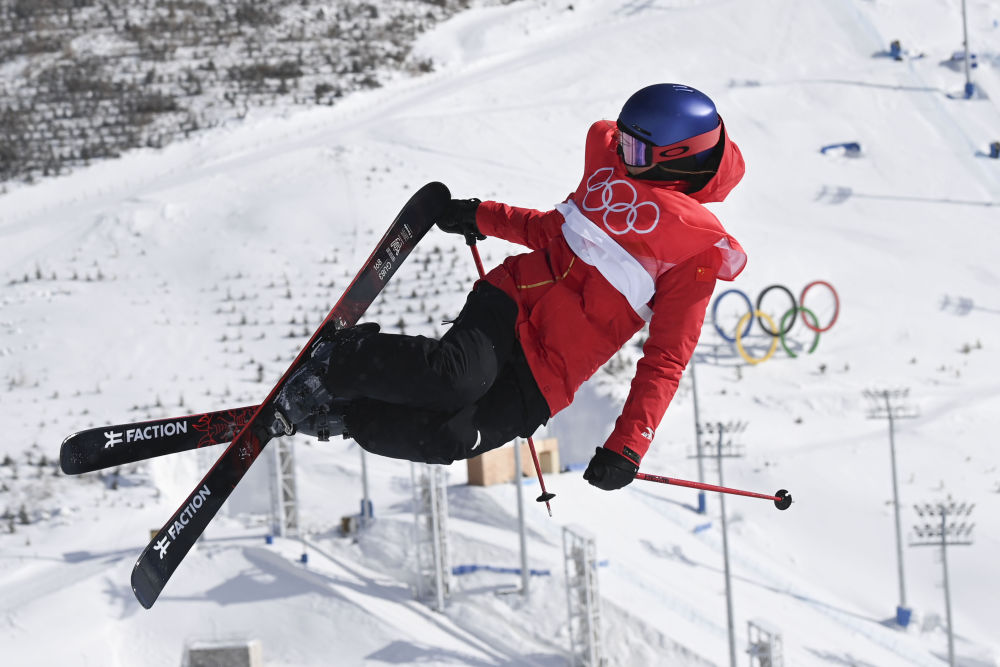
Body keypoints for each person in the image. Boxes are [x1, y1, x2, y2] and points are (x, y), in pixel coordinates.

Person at [275, 83, 747, 491]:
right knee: (454, 379)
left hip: (552, 372)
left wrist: (629, 445)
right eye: (621, 140)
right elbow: (553, 230)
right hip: (515, 301)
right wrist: (480, 214)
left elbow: (667, 358)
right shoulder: (615, 168)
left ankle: (348, 412)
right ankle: (338, 361)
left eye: (636, 151)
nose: (623, 154)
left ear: (677, 160)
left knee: (451, 438)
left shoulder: (695, 252)